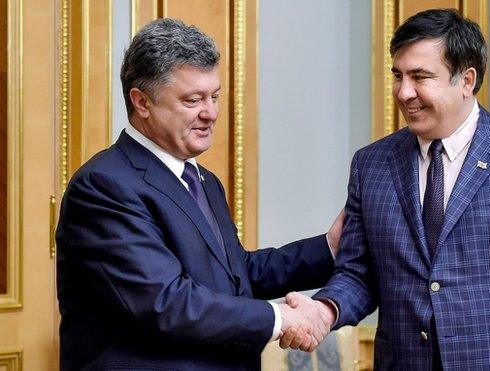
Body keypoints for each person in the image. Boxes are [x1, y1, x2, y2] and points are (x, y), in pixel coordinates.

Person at [281, 8, 490, 370]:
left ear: (466, 80)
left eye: (420, 77)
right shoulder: (371, 164)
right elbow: (358, 272)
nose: (404, 92)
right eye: (398, 75)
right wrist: (325, 309)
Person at [56, 18, 344, 371]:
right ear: (142, 102)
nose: (211, 113)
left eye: (215, 96)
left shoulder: (201, 179)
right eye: (193, 100)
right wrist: (281, 318)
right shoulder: (104, 186)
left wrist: (328, 248)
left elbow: (235, 277)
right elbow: (166, 302)